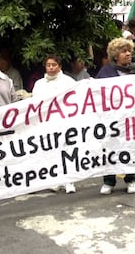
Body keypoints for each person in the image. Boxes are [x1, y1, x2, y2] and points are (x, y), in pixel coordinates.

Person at [95, 37, 135, 195]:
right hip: (111, 119)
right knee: (110, 147)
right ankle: (109, 181)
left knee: (130, 146)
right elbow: (97, 95)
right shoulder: (105, 72)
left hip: (130, 118)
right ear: (114, 55)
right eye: (123, 51)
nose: (127, 54)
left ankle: (131, 179)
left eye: (129, 51)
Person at [32, 54, 77, 194]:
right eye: (48, 65)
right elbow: (35, 103)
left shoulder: (68, 81)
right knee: (52, 150)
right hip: (47, 122)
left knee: (67, 150)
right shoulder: (39, 84)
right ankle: (56, 180)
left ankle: (70, 180)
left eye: (54, 65)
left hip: (65, 121)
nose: (51, 68)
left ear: (60, 66)